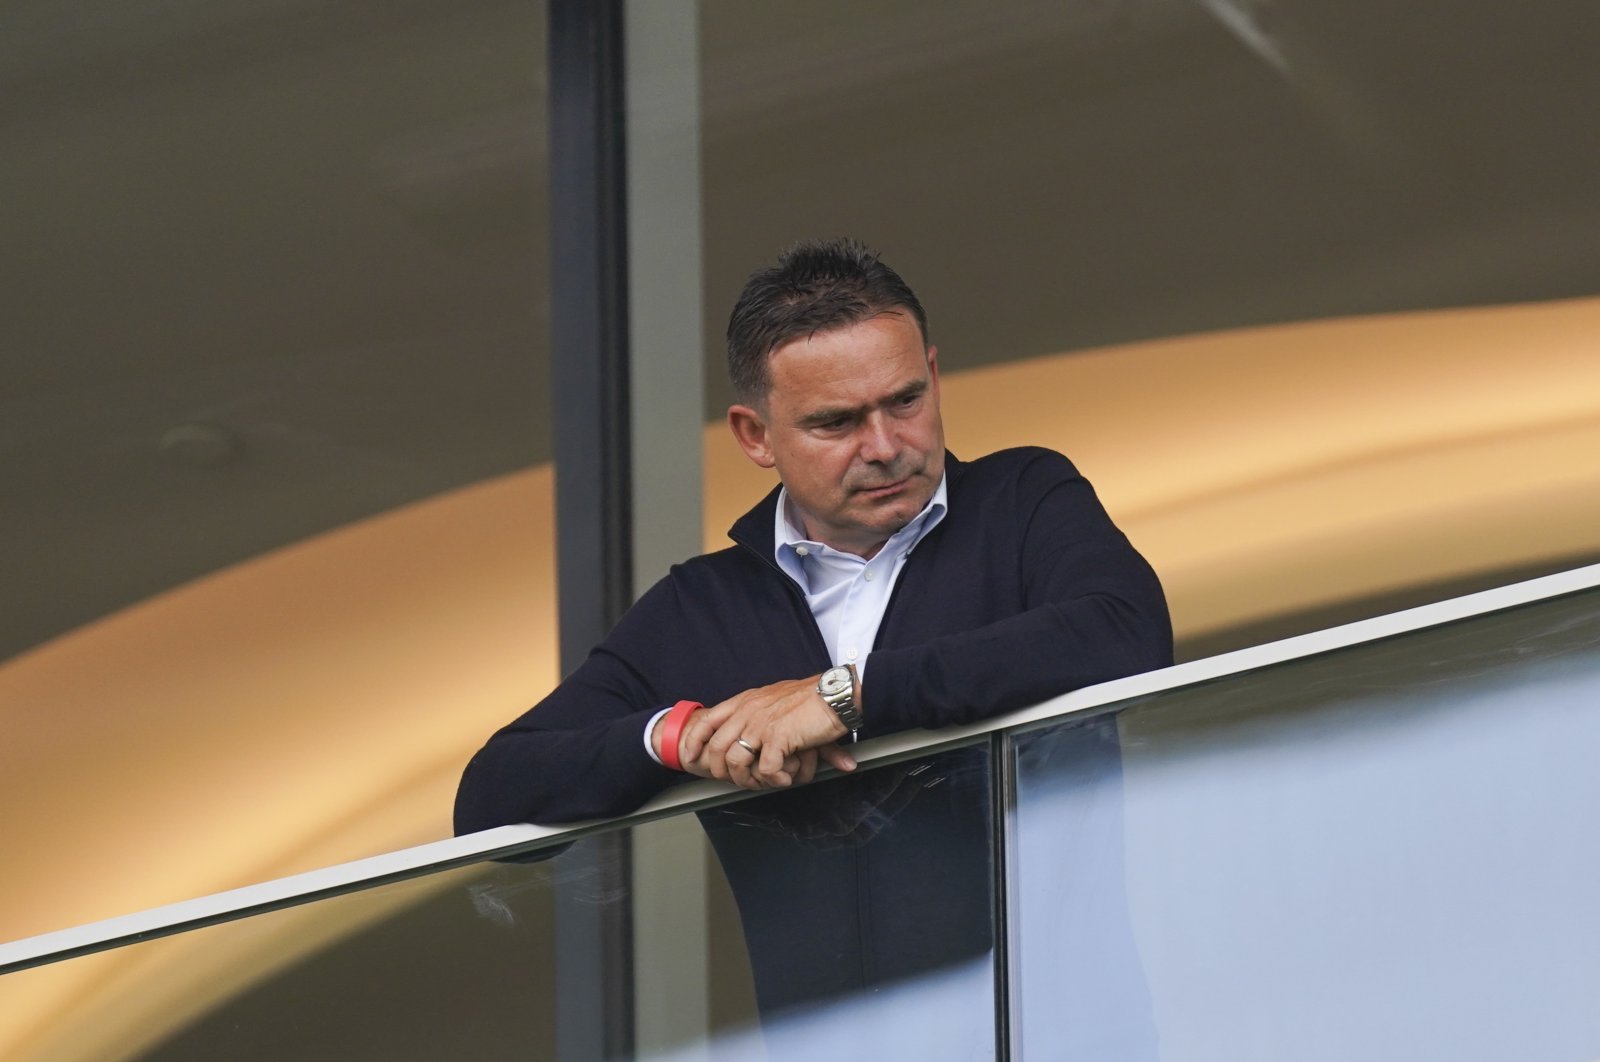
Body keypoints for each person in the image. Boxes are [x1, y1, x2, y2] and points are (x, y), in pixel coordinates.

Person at [454, 238, 1171, 1041]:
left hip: (1057, 1039)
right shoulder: (701, 608)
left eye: (905, 400)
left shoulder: (1023, 499)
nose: (886, 445)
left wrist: (845, 698)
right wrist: (679, 736)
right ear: (755, 436)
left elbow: (1126, 629)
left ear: (934, 375)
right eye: (836, 422)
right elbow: (492, 799)